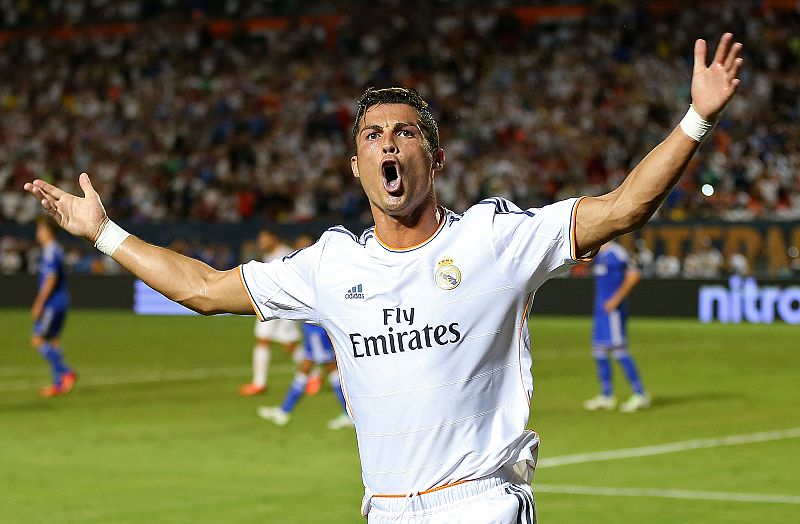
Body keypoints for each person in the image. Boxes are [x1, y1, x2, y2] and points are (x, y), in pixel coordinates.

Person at [24, 34, 742, 522]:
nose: (388, 145)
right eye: (373, 136)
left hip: (479, 504)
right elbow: (203, 289)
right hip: (385, 506)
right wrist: (104, 233)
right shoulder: (332, 265)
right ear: (357, 167)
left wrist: (696, 120)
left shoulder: (495, 238)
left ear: (433, 157)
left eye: (404, 133)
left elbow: (624, 208)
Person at [583, 241, 649, 412]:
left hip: (613, 312)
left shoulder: (617, 253)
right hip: (601, 311)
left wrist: (616, 299)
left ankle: (640, 394)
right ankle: (607, 396)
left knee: (620, 351)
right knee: (600, 351)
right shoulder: (599, 254)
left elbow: (634, 275)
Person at [239, 229, 301, 396]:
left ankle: (312, 375)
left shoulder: (285, 255)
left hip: (285, 307)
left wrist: (290, 317)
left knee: (289, 345)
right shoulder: (269, 256)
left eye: (264, 239)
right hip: (269, 305)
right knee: (263, 340)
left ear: (274, 239)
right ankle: (259, 383)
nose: (261, 243)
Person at [257, 323, 354, 430]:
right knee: (308, 367)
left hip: (316, 329)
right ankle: (284, 410)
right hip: (312, 328)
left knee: (329, 367)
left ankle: (350, 414)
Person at [31, 216, 77, 397]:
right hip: (60, 302)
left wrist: (39, 303)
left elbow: (51, 279)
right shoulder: (56, 250)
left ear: (47, 232)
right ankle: (59, 384)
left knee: (38, 340)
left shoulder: (50, 251)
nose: (38, 233)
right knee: (53, 341)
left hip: (52, 304)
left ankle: (66, 372)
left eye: (40, 229)